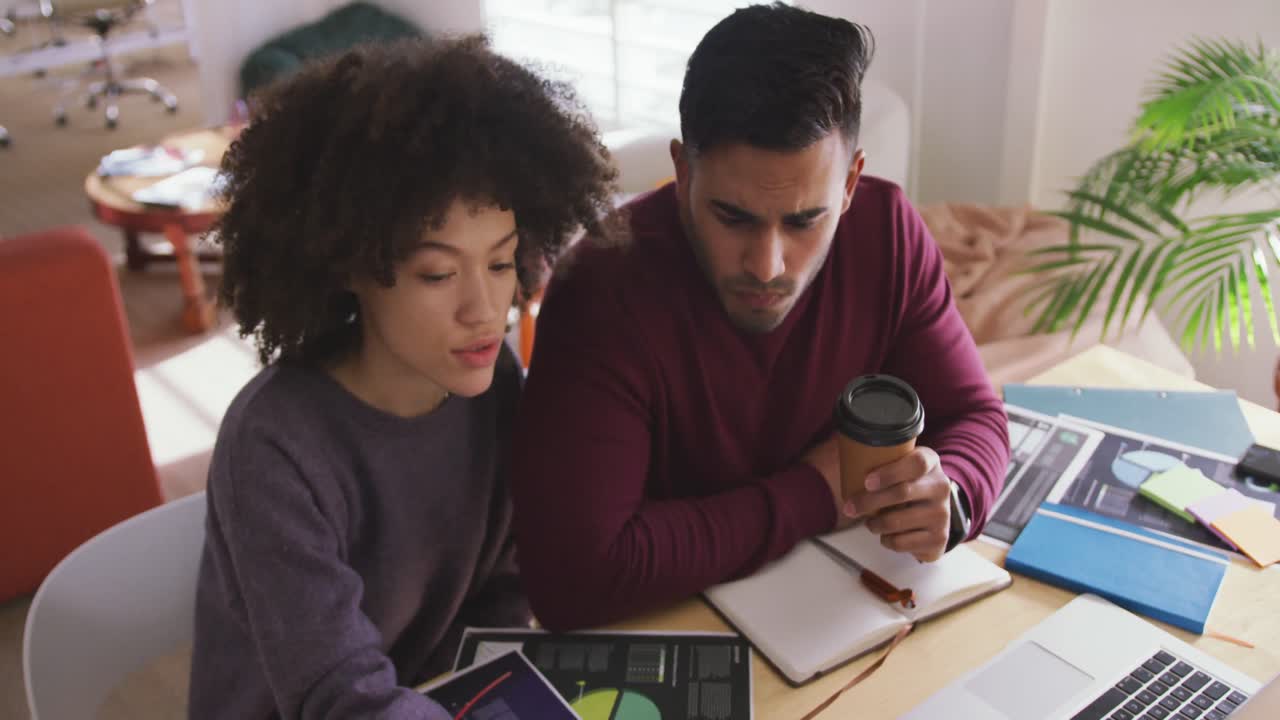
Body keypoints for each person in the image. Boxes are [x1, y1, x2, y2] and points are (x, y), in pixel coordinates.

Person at [511, 3, 1010, 632]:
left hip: (848, 614)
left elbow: (975, 414)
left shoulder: (888, 231)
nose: (769, 265)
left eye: (805, 221)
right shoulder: (601, 287)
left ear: (852, 182)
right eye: (733, 217)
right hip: (675, 630)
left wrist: (954, 498)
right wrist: (816, 493)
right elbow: (571, 578)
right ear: (683, 171)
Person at [188, 37, 616, 719]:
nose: (484, 310)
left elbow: (502, 589)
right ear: (348, 267)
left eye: (502, 264)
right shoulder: (275, 448)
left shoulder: (490, 377)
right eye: (438, 274)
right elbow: (339, 697)